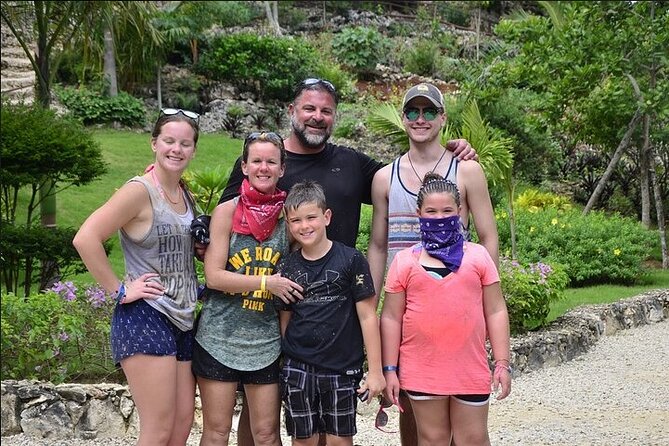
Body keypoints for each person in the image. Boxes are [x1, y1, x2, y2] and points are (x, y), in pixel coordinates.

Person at [219, 78, 478, 446]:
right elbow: (225, 217)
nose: (317, 117)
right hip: (277, 299)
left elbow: (407, 174)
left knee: (336, 420)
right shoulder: (267, 163)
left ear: (334, 117)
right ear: (292, 111)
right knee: (264, 408)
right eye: (309, 108)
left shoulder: (352, 163)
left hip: (341, 304)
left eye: (326, 110)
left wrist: (452, 152)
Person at [367, 82, 500, 446]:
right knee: (413, 414)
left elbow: (488, 238)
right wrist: (370, 307)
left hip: (456, 306)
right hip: (407, 309)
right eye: (412, 111)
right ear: (403, 118)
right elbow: (378, 245)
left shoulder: (468, 171)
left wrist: (489, 303)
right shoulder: (384, 177)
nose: (420, 119)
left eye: (429, 112)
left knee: (467, 424)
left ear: (443, 118)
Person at [73, 108, 201, 445]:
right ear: (154, 144)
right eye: (169, 141)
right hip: (147, 317)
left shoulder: (185, 193)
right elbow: (86, 238)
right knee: (158, 431)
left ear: (193, 150)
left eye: (185, 143)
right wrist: (119, 289)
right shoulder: (139, 191)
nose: (177, 149)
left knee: (181, 425)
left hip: (183, 317)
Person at [380, 173, 511, 446]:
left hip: (469, 368)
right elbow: (391, 317)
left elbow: (496, 310)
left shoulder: (478, 256)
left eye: (447, 211)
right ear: (419, 213)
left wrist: (502, 363)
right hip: (422, 369)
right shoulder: (404, 262)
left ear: (460, 211)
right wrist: (390, 369)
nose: (439, 218)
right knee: (432, 438)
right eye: (431, 211)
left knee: (473, 438)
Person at [193, 132, 303, 446]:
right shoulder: (227, 211)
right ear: (244, 166)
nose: (263, 167)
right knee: (216, 432)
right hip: (219, 337)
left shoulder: (288, 217)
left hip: (266, 342)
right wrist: (268, 283)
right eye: (256, 161)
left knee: (267, 434)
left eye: (271, 161)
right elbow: (214, 276)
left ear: (282, 169)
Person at [275, 180, 385, 446]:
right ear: (288, 225)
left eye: (311, 217)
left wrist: (376, 371)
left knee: (339, 440)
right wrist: (285, 360)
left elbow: (368, 315)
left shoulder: (351, 260)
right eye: (296, 220)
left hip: (342, 366)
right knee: (303, 439)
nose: (304, 226)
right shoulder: (288, 266)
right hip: (298, 367)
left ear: (326, 217)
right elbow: (285, 318)